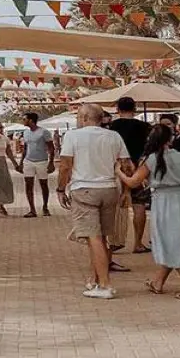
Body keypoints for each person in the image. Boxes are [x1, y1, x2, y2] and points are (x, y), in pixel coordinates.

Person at [117, 124, 180, 301]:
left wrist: (118, 172)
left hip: (162, 202)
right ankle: (158, 282)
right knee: (175, 241)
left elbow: (134, 182)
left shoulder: (150, 160)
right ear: (170, 139)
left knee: (169, 242)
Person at [56, 104, 127, 299]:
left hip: (84, 189)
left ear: (85, 117)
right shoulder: (114, 136)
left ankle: (105, 284)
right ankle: (95, 279)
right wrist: (126, 190)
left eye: (79, 116)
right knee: (101, 237)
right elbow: (126, 164)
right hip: (109, 189)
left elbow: (65, 165)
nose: (78, 119)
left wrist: (61, 188)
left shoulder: (73, 136)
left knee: (93, 237)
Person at [107, 97, 153, 255]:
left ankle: (112, 243)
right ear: (135, 109)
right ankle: (138, 243)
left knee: (115, 208)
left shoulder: (111, 128)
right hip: (139, 170)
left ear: (118, 110)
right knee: (139, 206)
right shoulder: (145, 126)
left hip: (117, 170)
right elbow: (149, 149)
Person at [18, 112, 55, 217]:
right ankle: (32, 209)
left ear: (31, 120)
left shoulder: (44, 132)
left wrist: (51, 163)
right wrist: (21, 163)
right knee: (28, 185)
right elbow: (25, 149)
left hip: (42, 161)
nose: (23, 121)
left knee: (44, 184)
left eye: (24, 119)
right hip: (28, 161)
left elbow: (51, 148)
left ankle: (45, 207)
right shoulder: (25, 133)